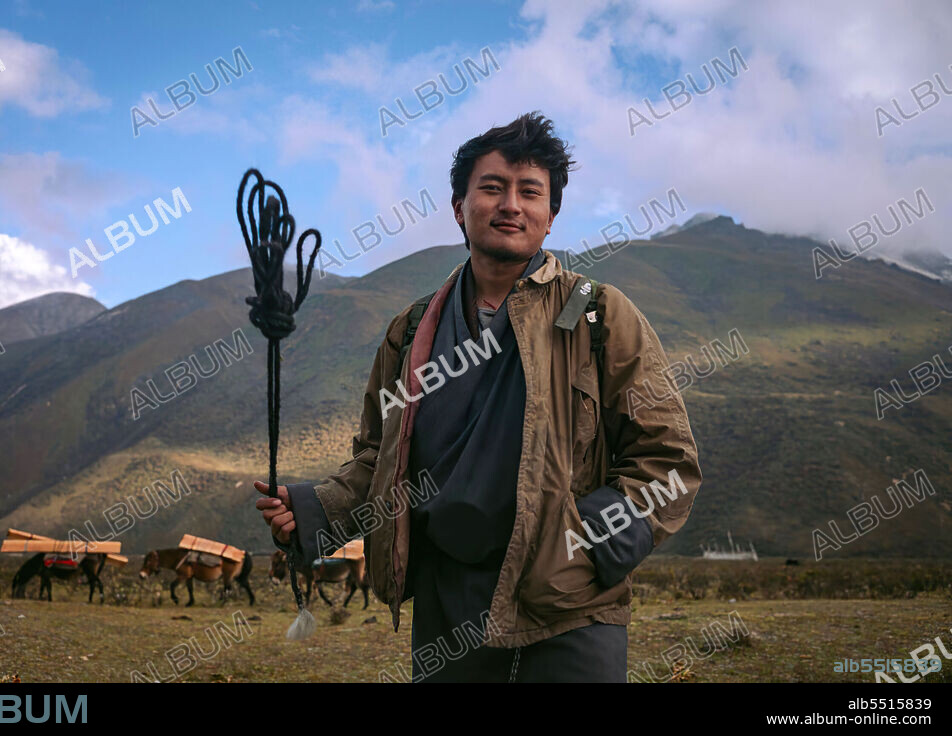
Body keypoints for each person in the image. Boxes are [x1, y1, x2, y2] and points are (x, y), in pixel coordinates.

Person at [255, 111, 702, 682]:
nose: (510, 204)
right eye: (491, 188)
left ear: (551, 215)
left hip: (569, 606)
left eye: (529, 192)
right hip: (448, 606)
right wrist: (315, 508)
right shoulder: (412, 329)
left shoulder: (597, 315)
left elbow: (669, 460)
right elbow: (380, 458)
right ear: (459, 208)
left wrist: (592, 542)